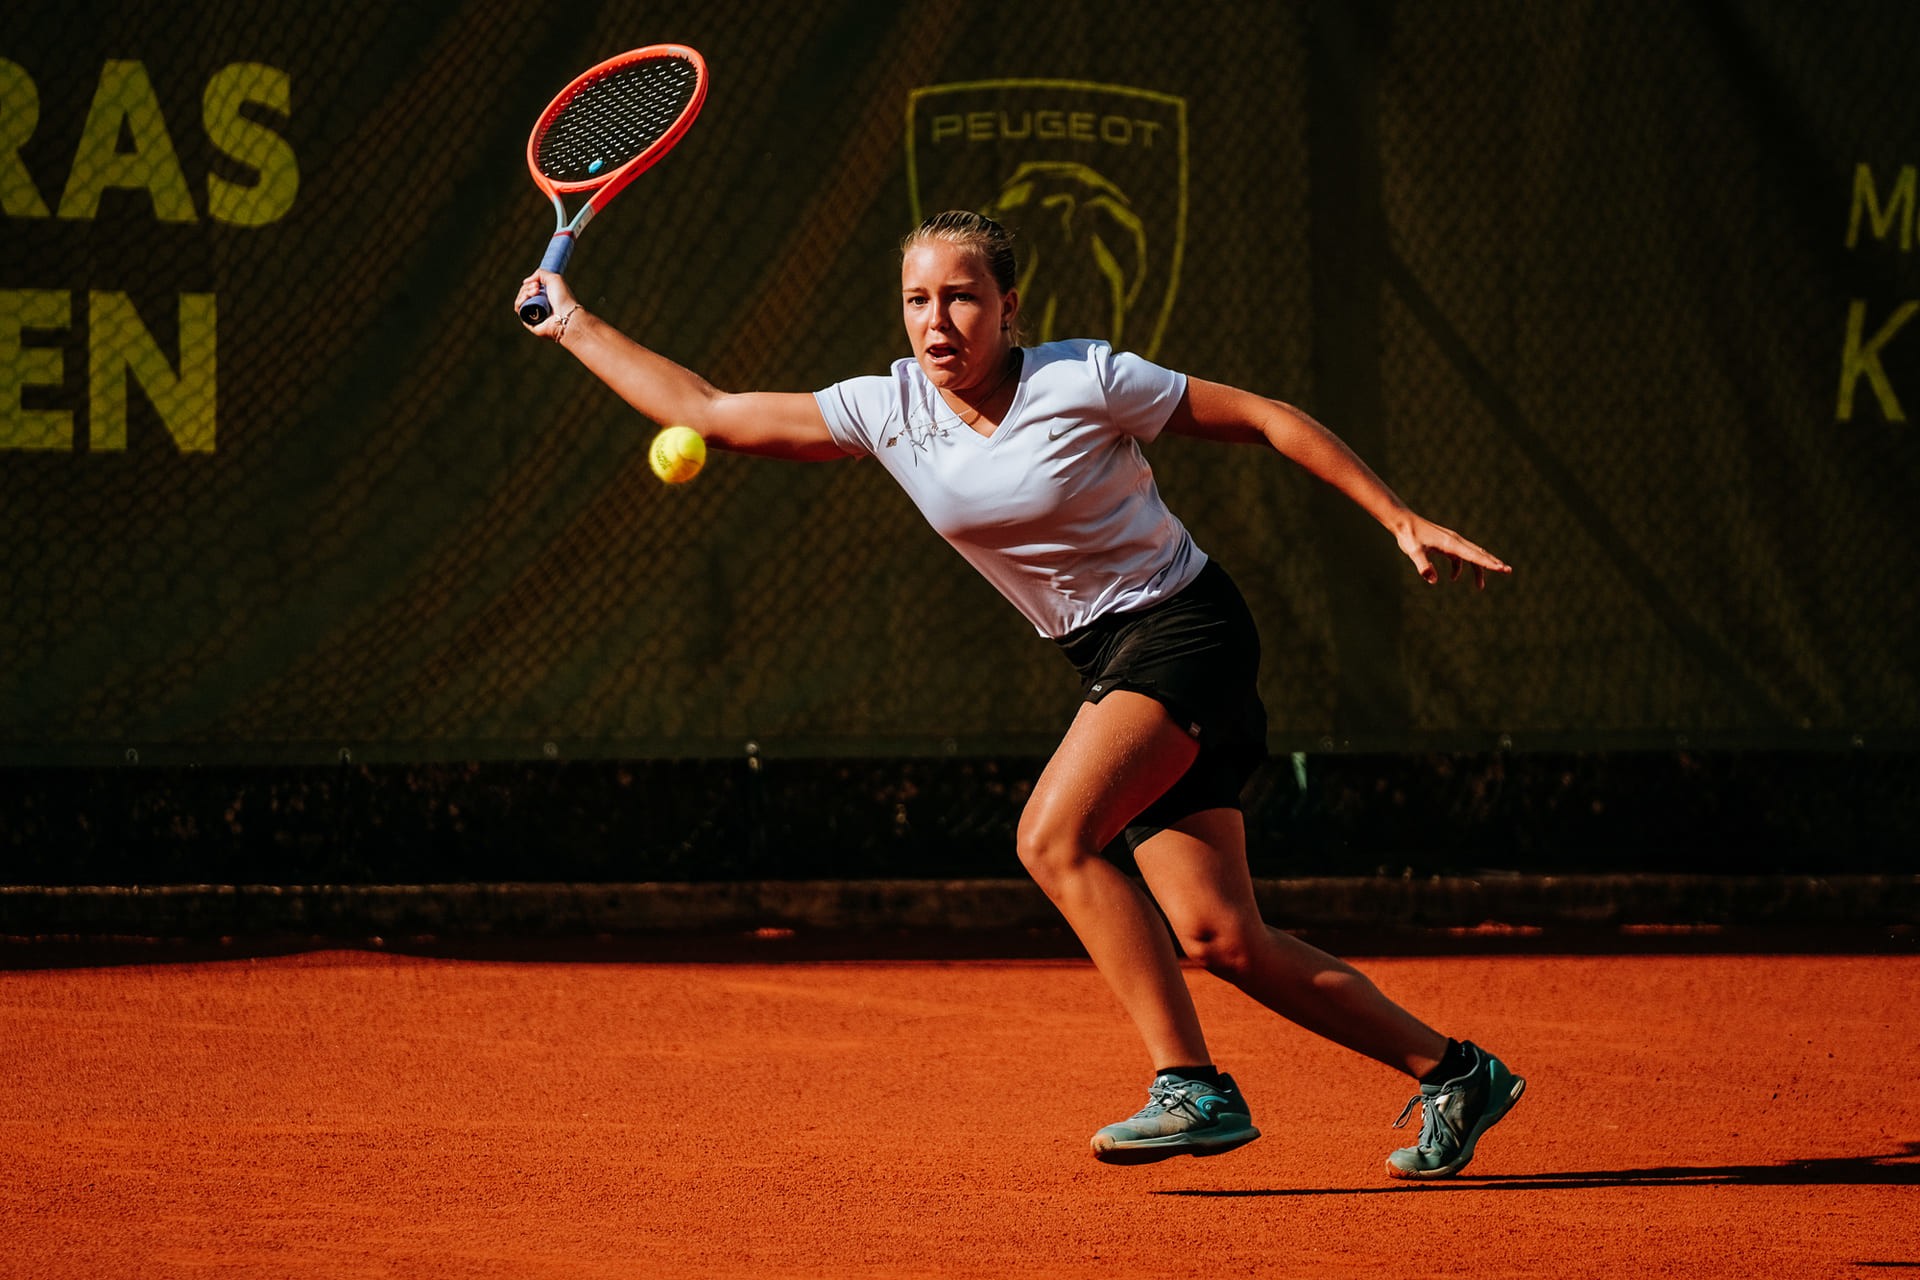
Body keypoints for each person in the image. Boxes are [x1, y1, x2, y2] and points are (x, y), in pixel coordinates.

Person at [514, 210, 1524, 1179]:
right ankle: (1458, 1073)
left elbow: (1263, 417)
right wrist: (573, 323)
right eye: (917, 300)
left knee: (1051, 838)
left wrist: (1397, 517)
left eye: (962, 298)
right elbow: (708, 411)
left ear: (1009, 307)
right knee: (1222, 937)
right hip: (1106, 654)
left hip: (1184, 630)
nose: (937, 321)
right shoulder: (889, 407)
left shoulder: (1084, 377)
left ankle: (1194, 1084)